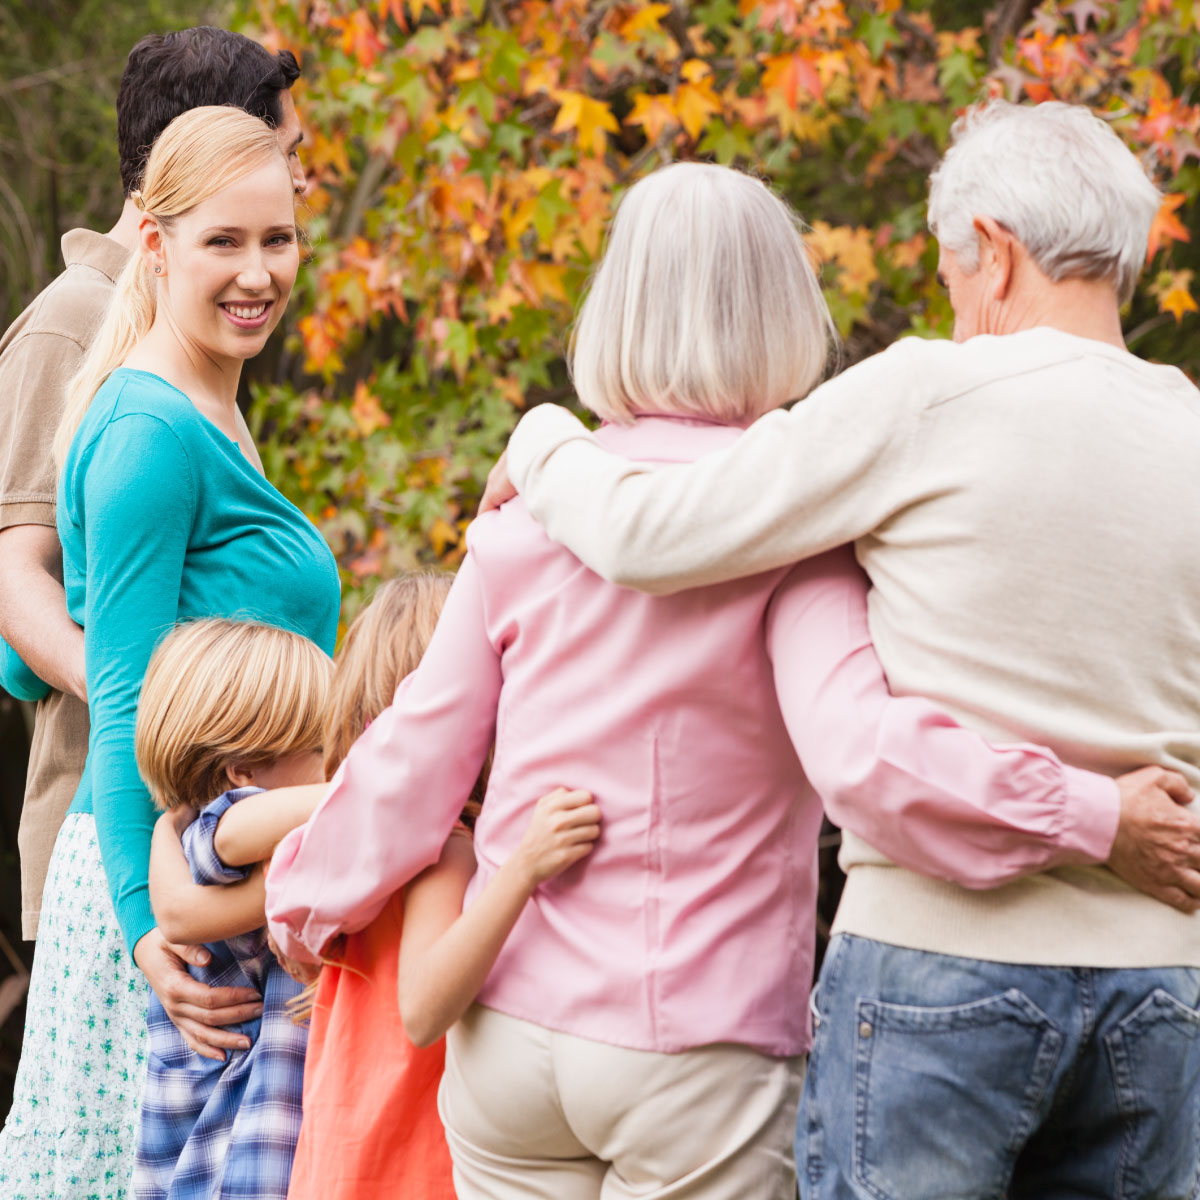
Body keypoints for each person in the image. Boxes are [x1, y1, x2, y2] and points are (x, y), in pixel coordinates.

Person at [265, 161, 1163, 1200]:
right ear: (786, 310)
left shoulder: (525, 524)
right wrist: (1093, 813)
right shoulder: (797, 539)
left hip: (508, 1037)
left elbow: (414, 757)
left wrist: (303, 901)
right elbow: (856, 747)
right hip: (699, 1044)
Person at [479, 101, 1200, 1196]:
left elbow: (649, 535)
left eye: (954, 275)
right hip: (1164, 982)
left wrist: (541, 439)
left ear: (995, 253)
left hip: (940, 969)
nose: (955, 308)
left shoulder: (930, 394)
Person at [0, 106, 340, 1200]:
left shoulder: (210, 402)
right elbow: (123, 695)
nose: (258, 273)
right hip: (161, 900)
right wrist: (151, 933)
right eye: (224, 243)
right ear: (154, 242)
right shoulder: (149, 432)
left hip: (221, 876)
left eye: (277, 240)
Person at [145, 580, 600, 1200]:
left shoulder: (348, 846)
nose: (336, 759)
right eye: (317, 745)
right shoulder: (264, 832)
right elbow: (199, 877)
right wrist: (414, 766)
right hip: (256, 1162)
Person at [134, 620, 332, 1200]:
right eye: (324, 748)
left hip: (211, 1149)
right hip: (237, 1151)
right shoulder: (221, 833)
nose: (341, 762)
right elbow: (235, 831)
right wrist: (391, 779)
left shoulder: (189, 838)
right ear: (243, 775)